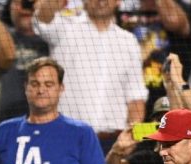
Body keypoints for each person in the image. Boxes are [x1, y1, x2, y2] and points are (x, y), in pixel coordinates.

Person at [31, 0, 147, 146]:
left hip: (113, 143)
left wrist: (132, 140)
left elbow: (136, 98)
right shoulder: (64, 28)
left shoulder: (129, 42)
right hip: (65, 138)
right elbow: (42, 18)